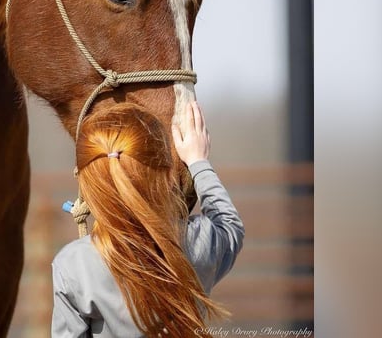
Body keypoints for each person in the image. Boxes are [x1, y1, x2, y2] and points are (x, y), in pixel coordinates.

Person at [51, 101, 245, 337]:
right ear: (164, 173)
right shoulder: (196, 242)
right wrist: (198, 162)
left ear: (87, 184)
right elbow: (229, 225)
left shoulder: (73, 265)